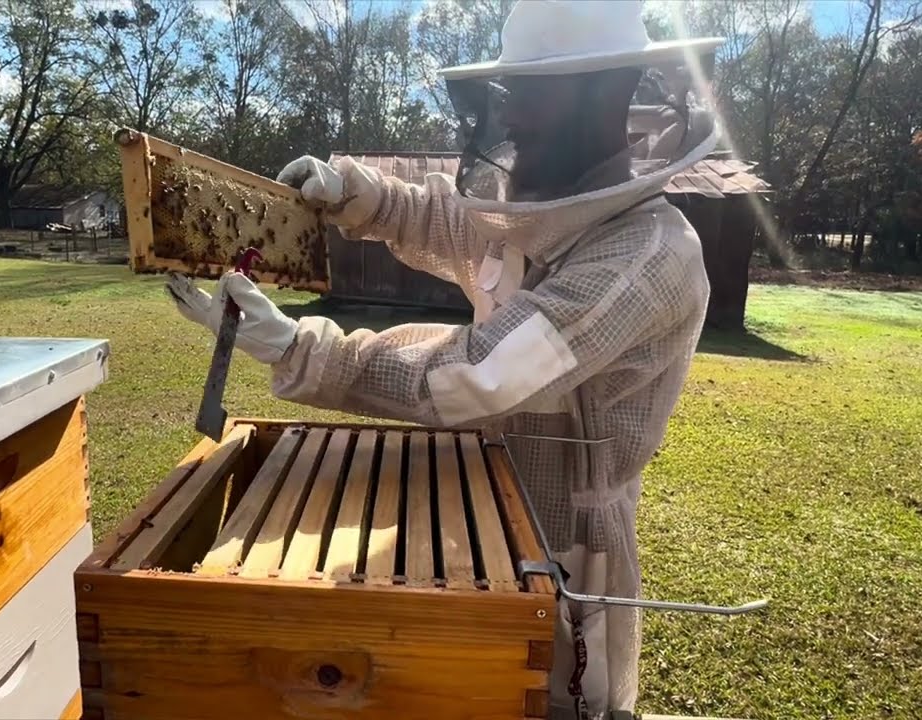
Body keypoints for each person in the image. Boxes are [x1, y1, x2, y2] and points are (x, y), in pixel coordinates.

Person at [167, 2, 724, 718]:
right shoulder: (544, 212)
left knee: (551, 702)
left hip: (567, 547)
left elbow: (477, 376)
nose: (512, 113)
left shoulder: (645, 257)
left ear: (606, 94)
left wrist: (302, 348)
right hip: (475, 504)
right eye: (509, 89)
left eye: (532, 90)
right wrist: (359, 196)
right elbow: (452, 222)